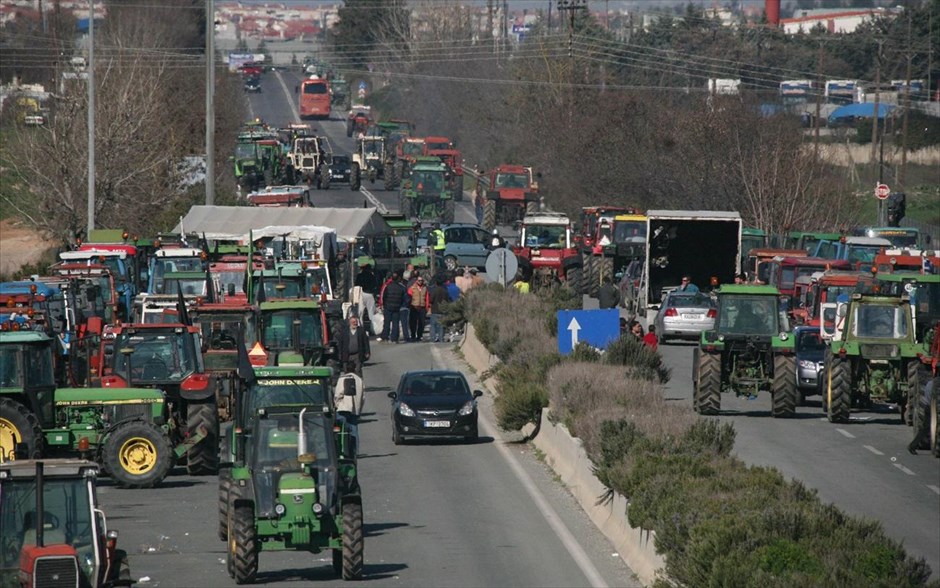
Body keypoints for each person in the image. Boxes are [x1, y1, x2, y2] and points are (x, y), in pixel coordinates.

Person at [379, 271, 406, 343]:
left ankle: (385, 337)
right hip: (397, 307)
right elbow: (404, 298)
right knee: (395, 323)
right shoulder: (401, 287)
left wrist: (383, 305)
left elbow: (384, 296)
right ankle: (394, 338)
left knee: (387, 322)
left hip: (388, 307)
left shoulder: (387, 286)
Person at [408, 276, 431, 341]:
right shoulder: (412, 288)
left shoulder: (425, 288)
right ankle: (413, 335)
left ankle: (419, 335)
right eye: (419, 280)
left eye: (421, 280)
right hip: (414, 306)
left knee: (422, 322)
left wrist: (427, 307)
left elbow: (427, 298)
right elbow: (409, 297)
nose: (420, 282)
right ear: (416, 281)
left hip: (422, 307)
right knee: (413, 322)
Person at [429, 277, 450, 342]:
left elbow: (431, 300)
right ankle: (441, 338)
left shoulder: (434, 291)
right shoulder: (445, 291)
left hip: (435, 310)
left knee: (433, 325)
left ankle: (433, 338)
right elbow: (447, 301)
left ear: (436, 283)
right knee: (441, 326)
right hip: (442, 311)